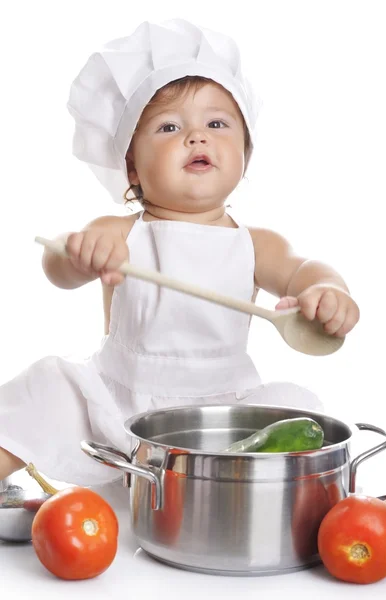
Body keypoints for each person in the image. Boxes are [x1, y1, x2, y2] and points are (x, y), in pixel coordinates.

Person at [0, 19, 359, 486]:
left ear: (245, 153)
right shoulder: (119, 232)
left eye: (216, 123)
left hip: (219, 423)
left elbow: (303, 270)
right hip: (114, 406)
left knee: (301, 404)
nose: (197, 136)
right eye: (169, 127)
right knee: (45, 385)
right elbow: (57, 268)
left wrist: (326, 290)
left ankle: (220, 487)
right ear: (131, 166)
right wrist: (78, 253)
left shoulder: (255, 243)